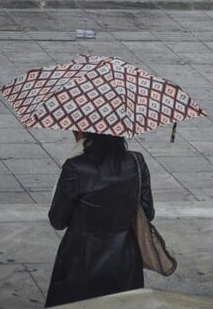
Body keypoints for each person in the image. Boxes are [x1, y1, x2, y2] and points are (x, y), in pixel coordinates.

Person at [44, 131, 154, 307]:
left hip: (80, 259)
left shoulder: (75, 167)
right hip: (124, 259)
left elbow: (58, 220)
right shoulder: (137, 162)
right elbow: (148, 212)